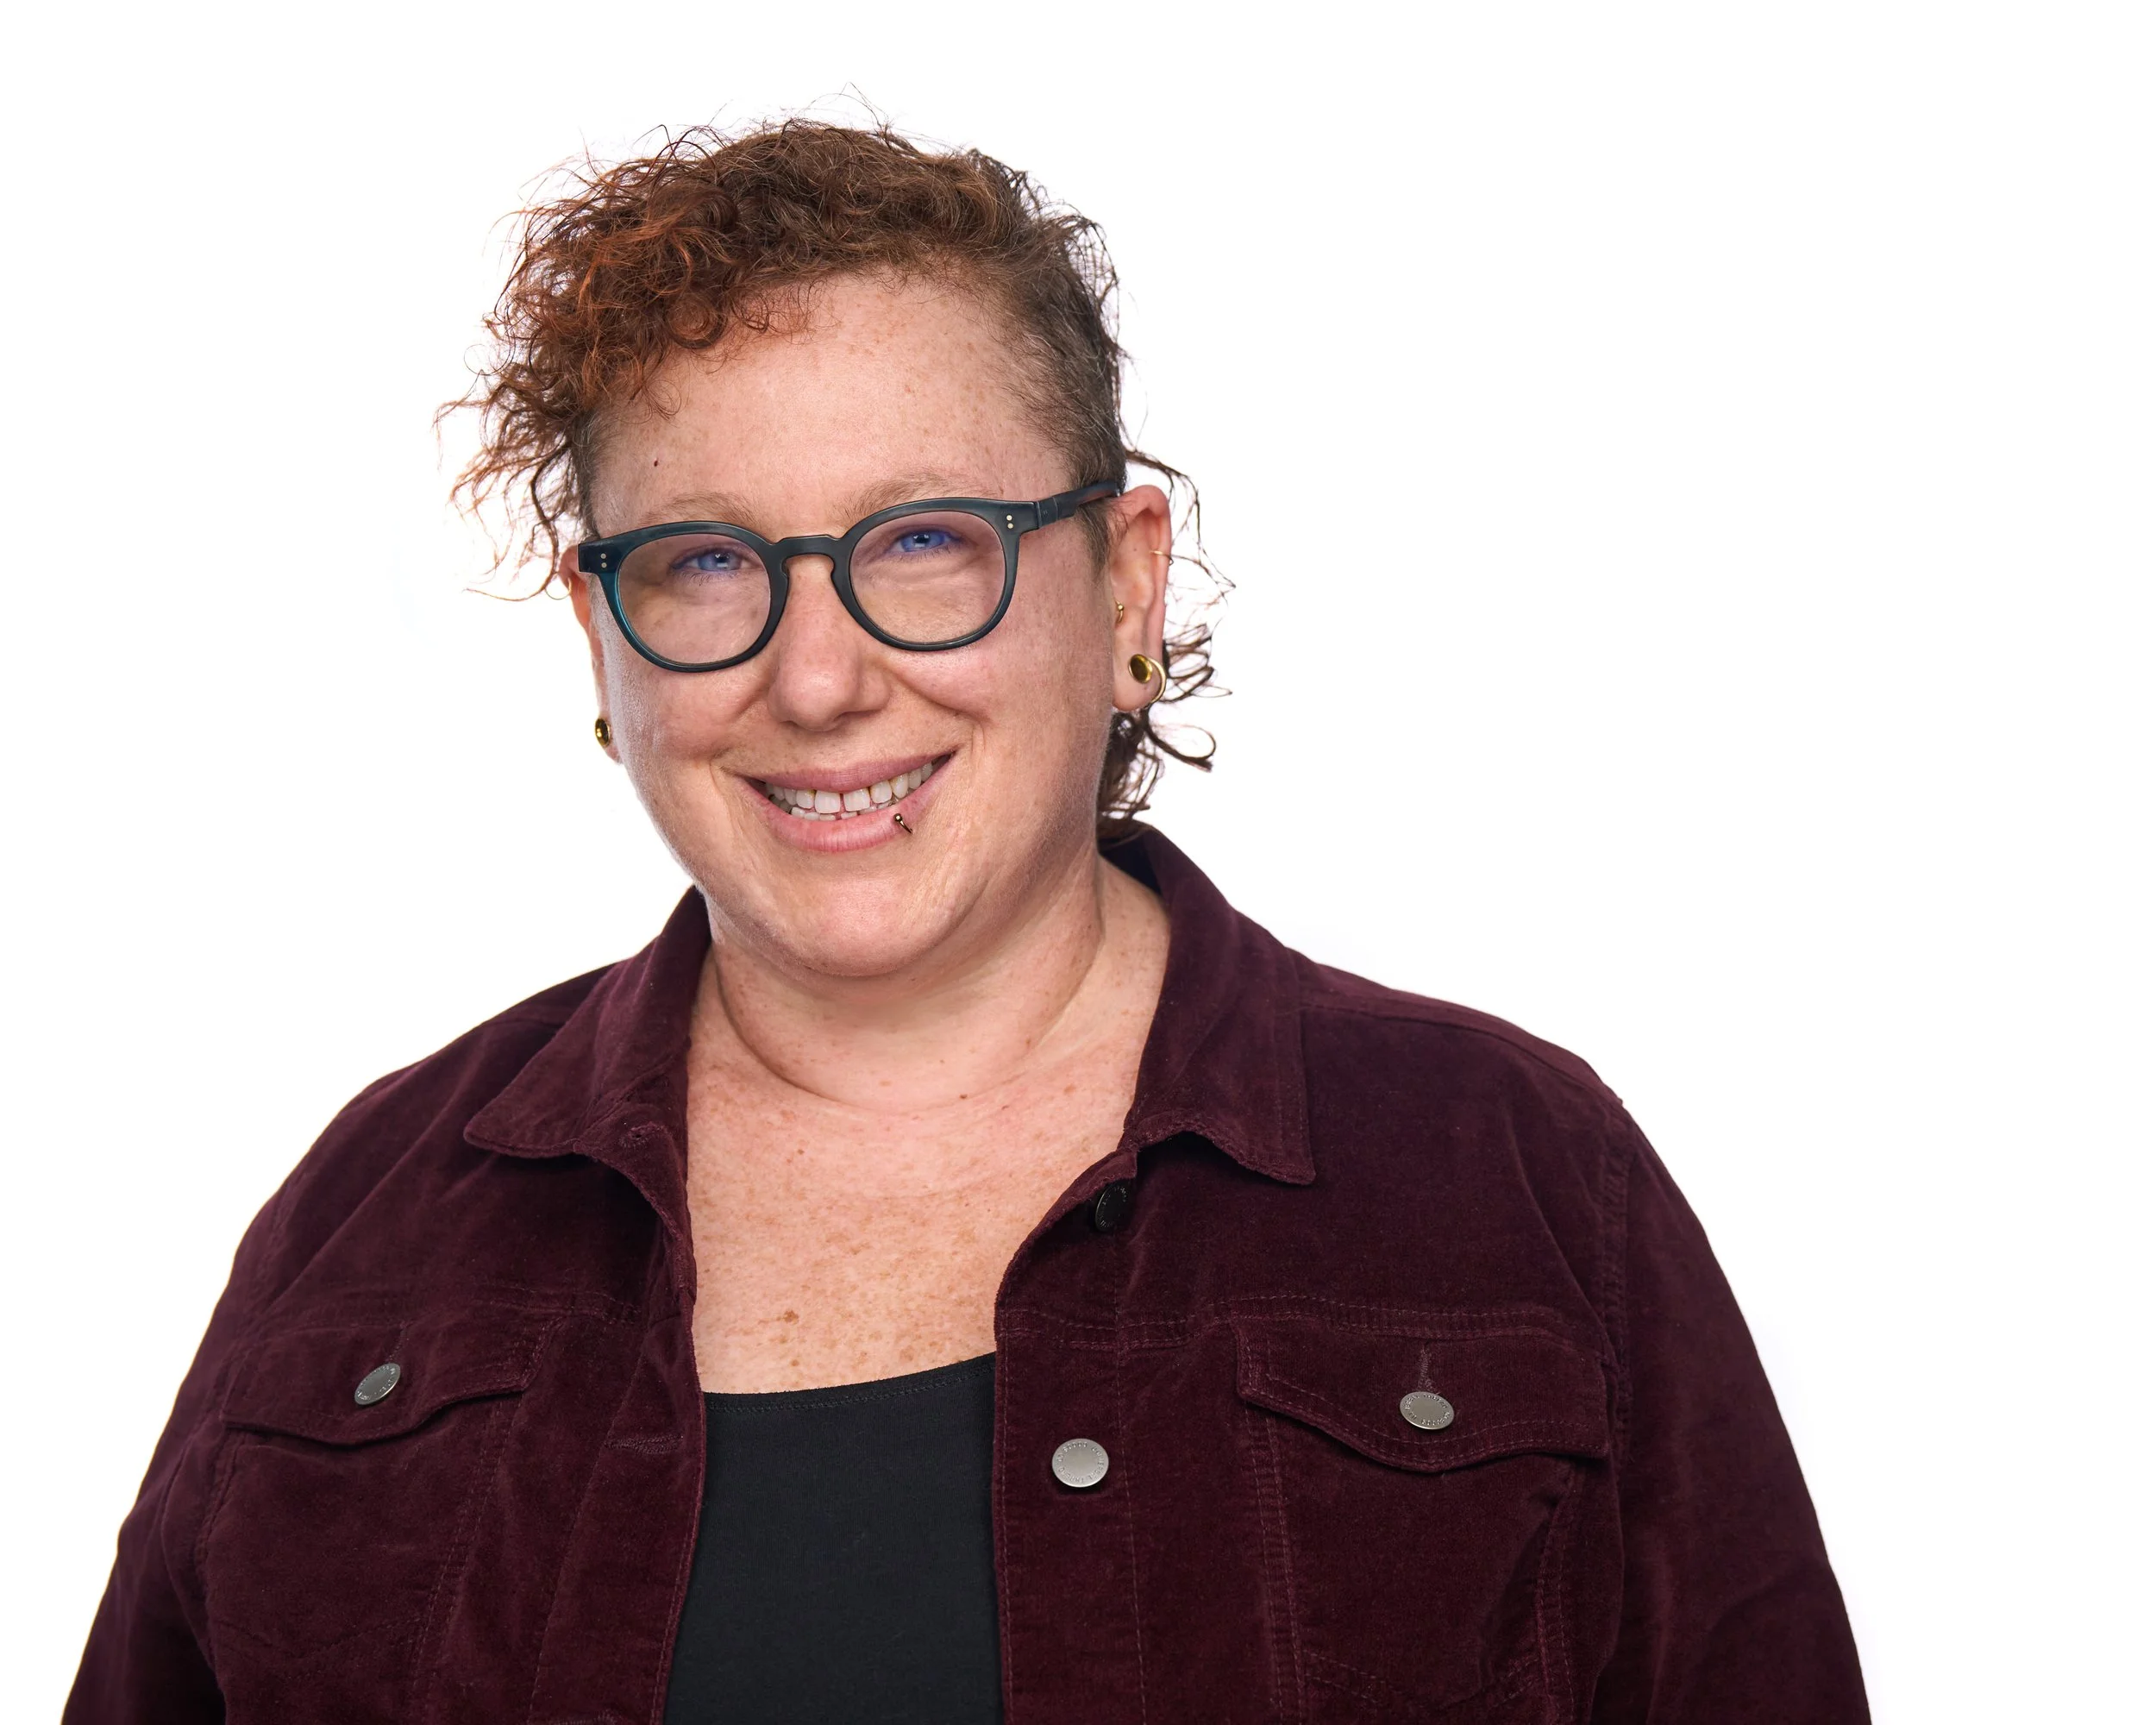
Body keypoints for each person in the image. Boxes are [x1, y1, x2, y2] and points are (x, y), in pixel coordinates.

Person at [66, 122, 1867, 1723]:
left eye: (925, 540)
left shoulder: (1513, 1176)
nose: (818, 677)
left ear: (1125, 587)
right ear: (601, 637)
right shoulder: (373, 1221)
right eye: (705, 562)